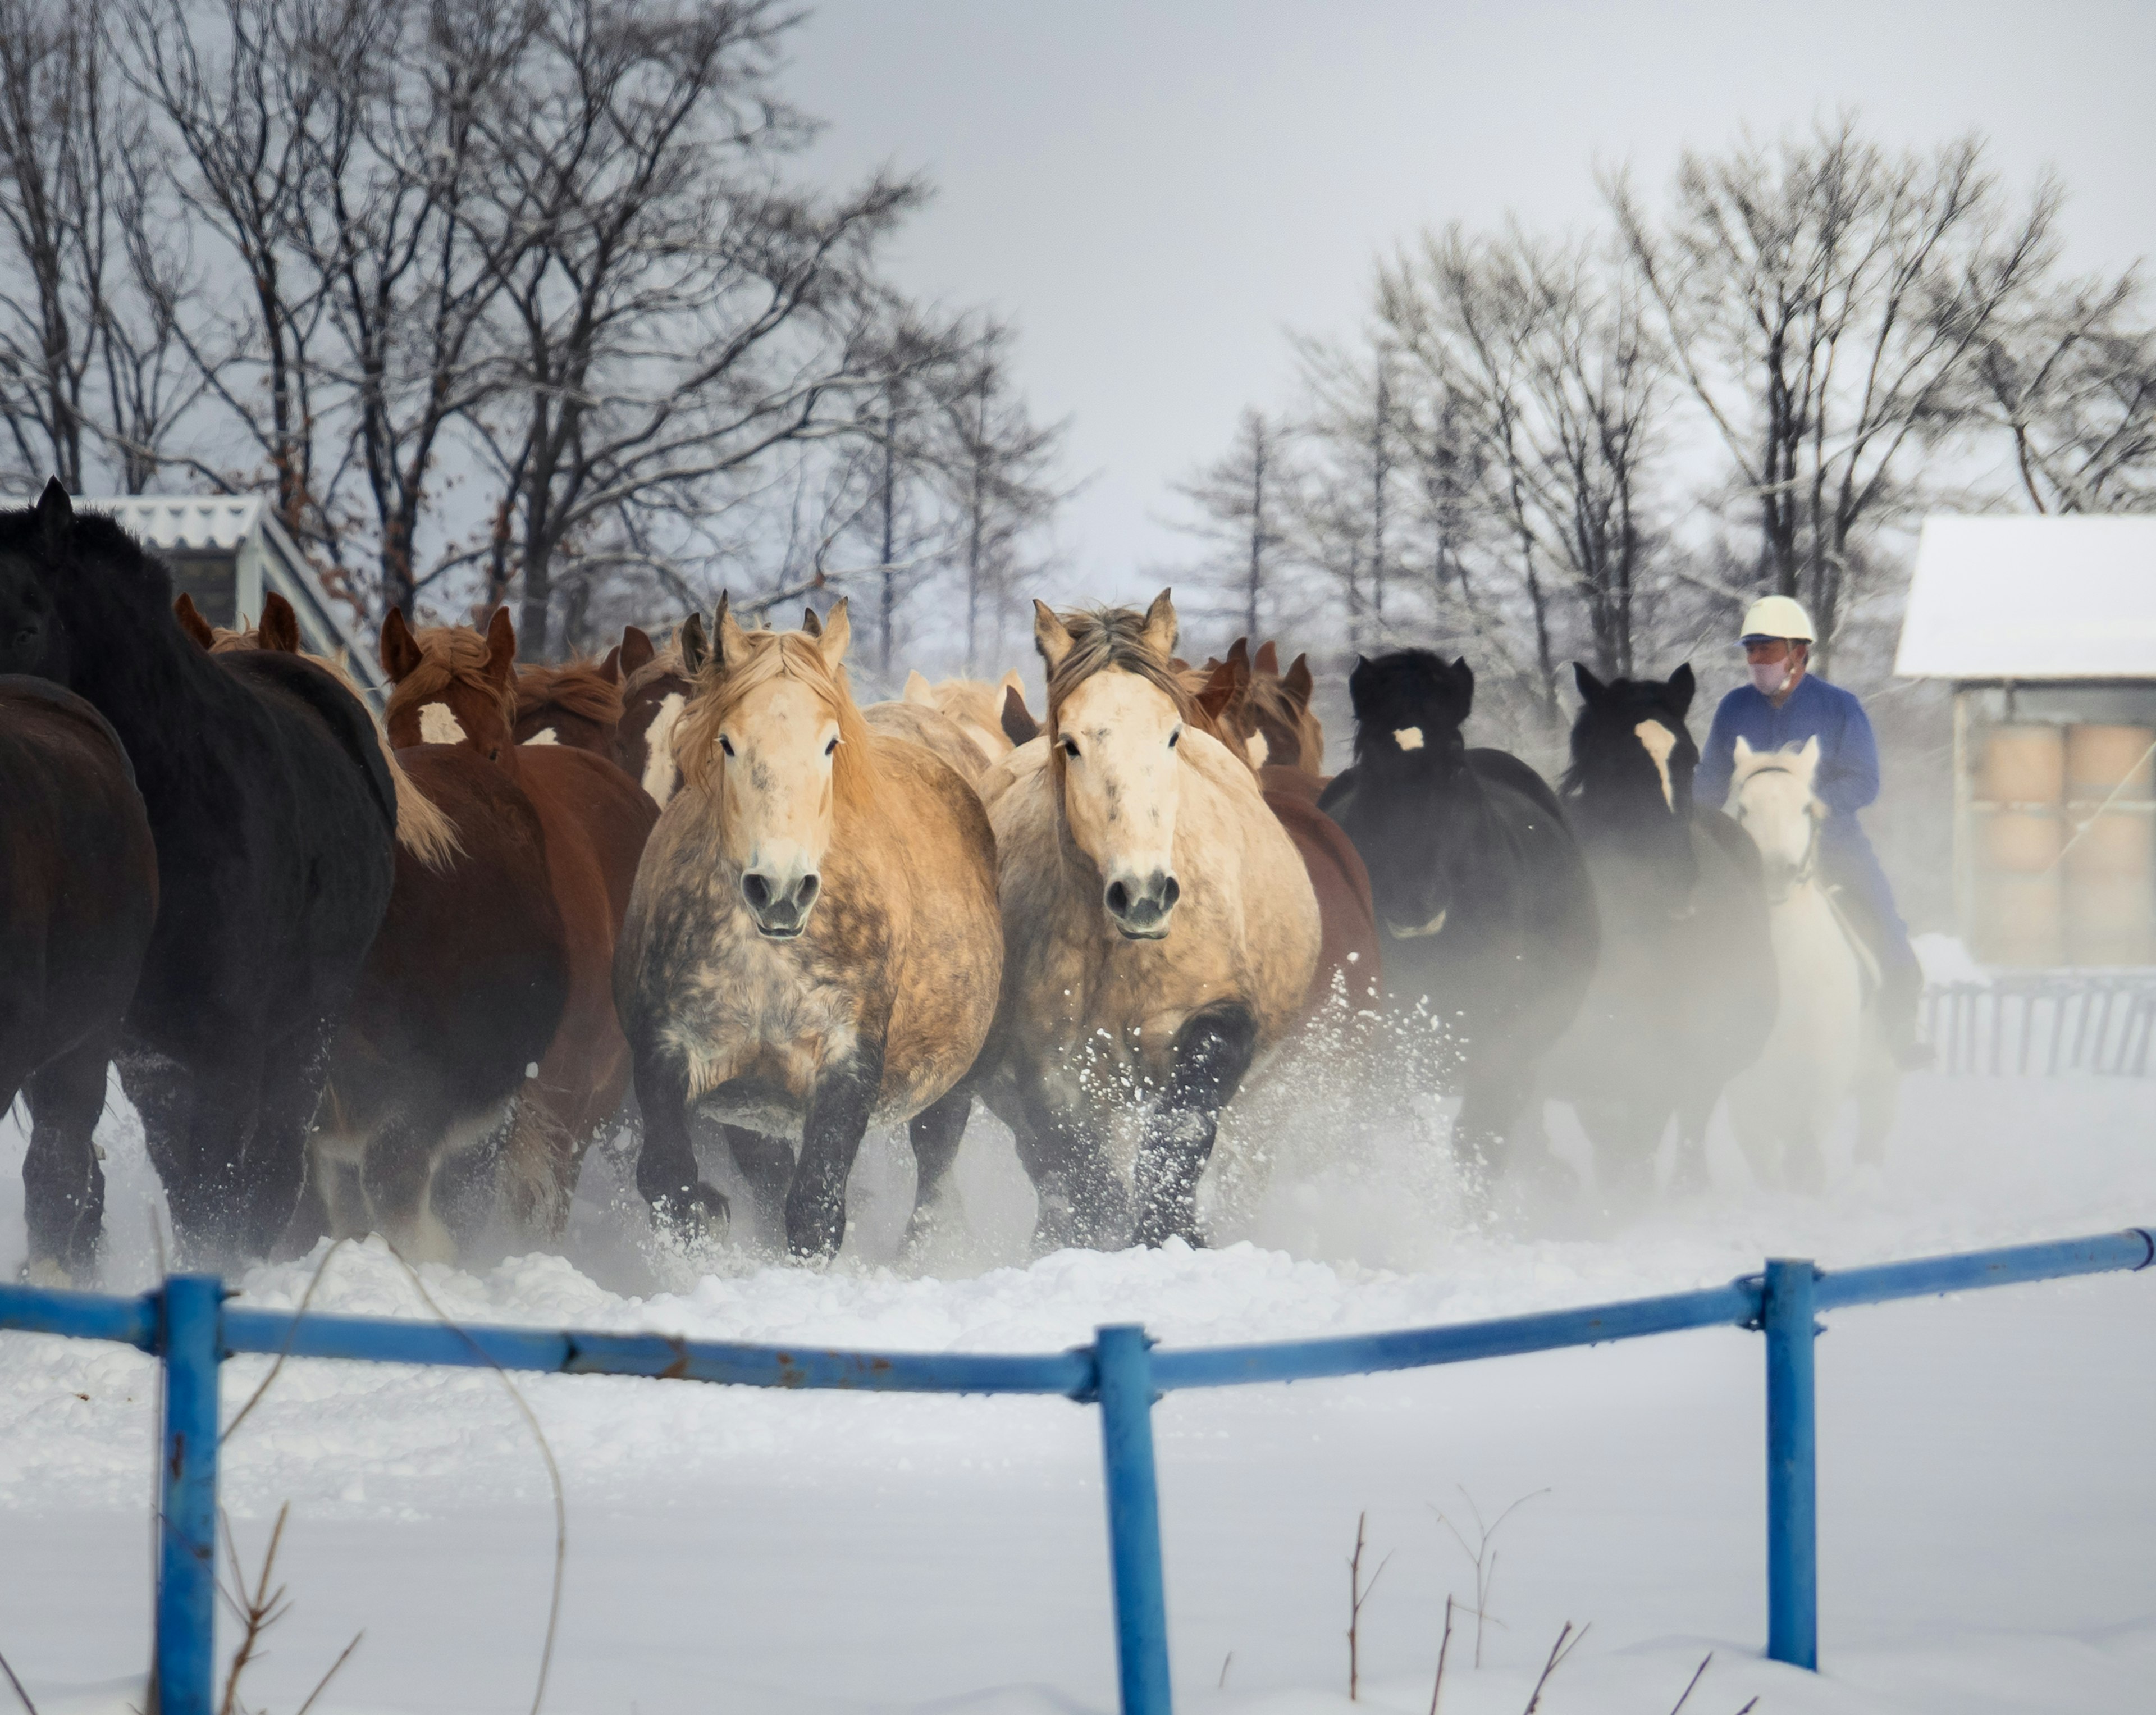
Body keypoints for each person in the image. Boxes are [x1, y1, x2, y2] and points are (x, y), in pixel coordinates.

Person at [1696, 595, 1926, 1067]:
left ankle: (1899, 1034)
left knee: (1887, 929)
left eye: (1767, 649)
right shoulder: (1733, 708)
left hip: (1833, 846)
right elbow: (1712, 778)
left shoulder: (1840, 707)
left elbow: (1865, 780)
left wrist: (1819, 806)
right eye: (1751, 650)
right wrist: (1687, 819)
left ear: (1799, 652)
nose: (1756, 660)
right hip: (1749, 854)